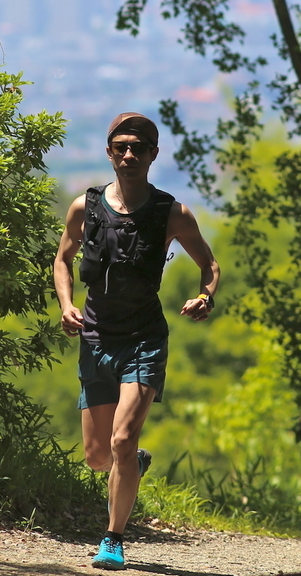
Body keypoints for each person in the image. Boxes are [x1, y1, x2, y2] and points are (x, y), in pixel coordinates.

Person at [53, 112, 221, 570]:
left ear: (153, 155)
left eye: (138, 148)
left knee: (123, 440)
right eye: (121, 147)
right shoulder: (85, 208)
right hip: (95, 337)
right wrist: (66, 304)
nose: (129, 155)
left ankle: (113, 539)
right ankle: (131, 465)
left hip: (144, 339)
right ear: (109, 153)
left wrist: (205, 296)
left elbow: (209, 265)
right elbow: (62, 259)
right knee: (97, 457)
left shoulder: (171, 213)